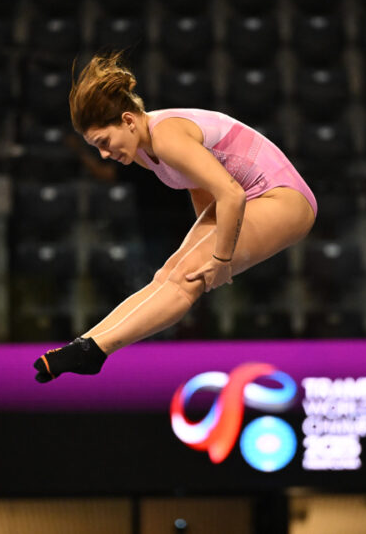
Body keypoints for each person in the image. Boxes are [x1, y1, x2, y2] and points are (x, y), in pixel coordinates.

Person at [33, 52, 318, 382]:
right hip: (250, 196)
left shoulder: (165, 135)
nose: (104, 155)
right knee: (167, 274)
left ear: (128, 120)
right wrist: (203, 245)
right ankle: (85, 344)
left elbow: (231, 194)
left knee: (186, 279)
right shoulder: (142, 151)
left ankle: (95, 349)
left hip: (282, 197)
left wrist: (220, 258)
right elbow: (200, 188)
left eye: (104, 142)